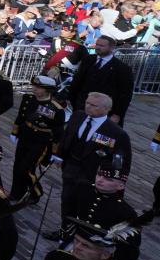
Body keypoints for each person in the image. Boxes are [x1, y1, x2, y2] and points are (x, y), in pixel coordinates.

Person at [53, 92, 133, 234]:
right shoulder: (78, 116)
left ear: (106, 109)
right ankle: (64, 232)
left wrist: (115, 183)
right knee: (66, 200)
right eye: (87, 103)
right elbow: (67, 136)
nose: (88, 107)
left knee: (85, 205)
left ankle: (82, 234)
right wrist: (59, 156)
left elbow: (120, 161)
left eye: (93, 105)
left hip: (93, 175)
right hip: (71, 167)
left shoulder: (116, 133)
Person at [54, 156, 140, 260]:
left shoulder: (126, 213)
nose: (100, 180)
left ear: (121, 186)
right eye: (99, 175)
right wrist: (64, 236)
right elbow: (70, 215)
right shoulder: (83, 189)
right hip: (74, 245)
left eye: (108, 179)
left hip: (98, 258)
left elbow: (130, 249)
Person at [9, 74, 65, 203]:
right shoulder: (28, 98)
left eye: (38, 87)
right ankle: (15, 194)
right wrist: (15, 132)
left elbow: (58, 132)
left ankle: (35, 192)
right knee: (17, 165)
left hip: (41, 141)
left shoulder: (57, 109)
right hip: (25, 136)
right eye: (34, 85)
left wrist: (56, 152)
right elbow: (21, 116)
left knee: (27, 168)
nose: (34, 88)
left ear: (47, 89)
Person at [68, 35, 134, 123]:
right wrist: (70, 99)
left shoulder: (122, 69)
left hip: (103, 112)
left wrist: (118, 114)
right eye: (97, 44)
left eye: (102, 46)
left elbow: (125, 94)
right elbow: (77, 81)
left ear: (112, 48)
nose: (98, 47)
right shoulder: (88, 59)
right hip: (81, 106)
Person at [43, 220, 135, 260]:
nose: (77, 247)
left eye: (86, 245)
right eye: (76, 240)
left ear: (105, 255)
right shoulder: (57, 258)